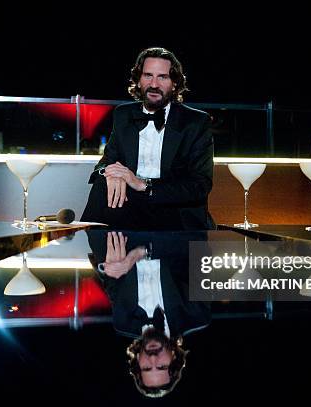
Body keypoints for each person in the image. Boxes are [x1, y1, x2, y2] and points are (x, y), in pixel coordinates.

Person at [80, 47, 215, 230]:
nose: (154, 84)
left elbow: (200, 186)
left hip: (174, 210)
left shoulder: (196, 122)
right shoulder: (123, 114)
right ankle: (95, 253)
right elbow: (106, 162)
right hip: (129, 204)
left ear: (174, 83)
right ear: (138, 80)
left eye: (163, 77)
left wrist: (144, 185)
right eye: (147, 75)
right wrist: (110, 174)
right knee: (102, 185)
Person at [86, 229, 211, 397]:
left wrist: (108, 267)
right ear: (174, 358)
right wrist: (142, 252)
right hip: (172, 216)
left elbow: (108, 270)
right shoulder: (196, 315)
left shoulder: (123, 322)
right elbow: (200, 243)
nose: (153, 359)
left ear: (137, 361)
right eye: (161, 366)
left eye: (146, 367)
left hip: (123, 227)